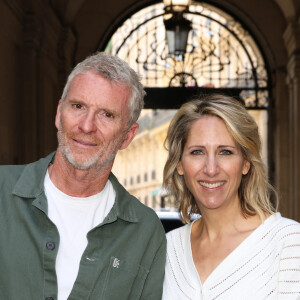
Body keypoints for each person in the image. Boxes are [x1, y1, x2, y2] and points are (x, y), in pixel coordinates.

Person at [0, 52, 166, 300]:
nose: (86, 125)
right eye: (78, 106)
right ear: (59, 113)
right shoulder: (2, 193)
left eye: (106, 114)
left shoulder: (145, 232)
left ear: (128, 136)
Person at [162, 94, 300, 299]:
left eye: (225, 152)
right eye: (197, 152)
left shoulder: (288, 242)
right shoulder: (168, 248)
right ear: (180, 164)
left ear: (246, 163)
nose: (211, 169)